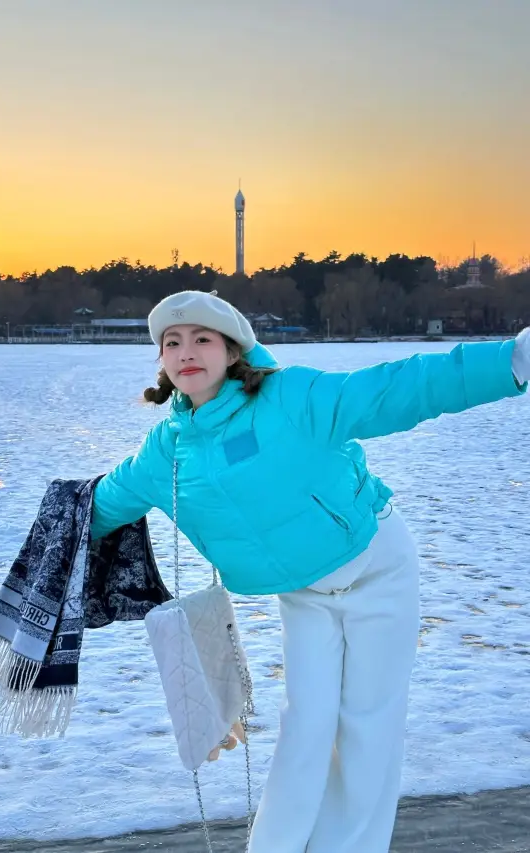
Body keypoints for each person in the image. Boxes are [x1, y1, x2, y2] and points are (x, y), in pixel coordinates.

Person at [90, 290, 530, 853]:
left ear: (233, 351)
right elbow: (105, 503)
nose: (186, 352)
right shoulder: (164, 450)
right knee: (306, 725)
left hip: (378, 570)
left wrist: (512, 361)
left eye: (203, 338)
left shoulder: (289, 398)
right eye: (171, 343)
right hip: (304, 594)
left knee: (368, 725)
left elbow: (395, 390)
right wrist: (55, 531)